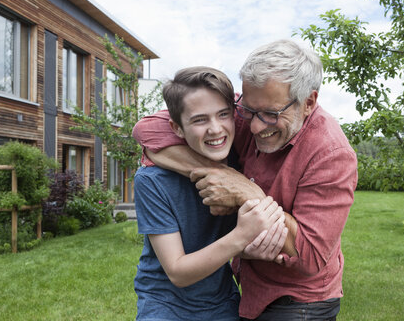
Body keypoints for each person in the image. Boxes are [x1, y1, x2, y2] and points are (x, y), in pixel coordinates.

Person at [133, 40, 358, 321]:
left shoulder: (330, 154)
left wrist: (249, 193)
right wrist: (221, 174)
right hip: (243, 292)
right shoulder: (244, 112)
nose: (253, 126)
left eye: (270, 115)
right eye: (248, 110)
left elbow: (311, 257)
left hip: (299, 302)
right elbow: (147, 129)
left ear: (308, 102)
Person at [133, 66, 286, 321]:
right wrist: (241, 236)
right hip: (164, 306)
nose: (215, 129)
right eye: (199, 119)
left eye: (223, 115)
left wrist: (256, 246)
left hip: (222, 301)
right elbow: (177, 271)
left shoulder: (241, 160)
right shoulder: (153, 180)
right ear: (177, 127)